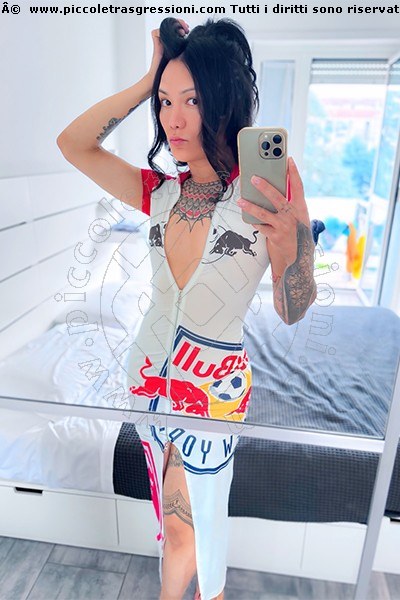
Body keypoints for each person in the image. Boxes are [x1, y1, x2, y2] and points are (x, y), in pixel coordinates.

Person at [57, 16, 318, 600]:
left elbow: (293, 307)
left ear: (223, 100)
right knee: (176, 528)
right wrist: (147, 78)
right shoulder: (159, 192)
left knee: (194, 529)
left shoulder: (267, 190)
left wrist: (289, 244)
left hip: (212, 388)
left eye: (192, 100)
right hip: (147, 379)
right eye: (165, 101)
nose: (172, 119)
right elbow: (73, 144)